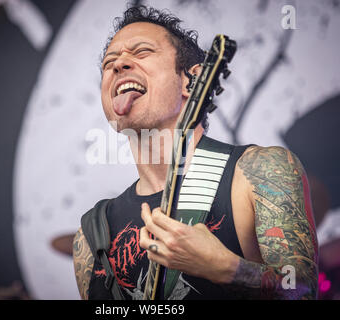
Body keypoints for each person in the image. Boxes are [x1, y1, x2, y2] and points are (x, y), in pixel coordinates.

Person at [72, 5, 318, 300]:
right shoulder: (92, 234)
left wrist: (226, 268)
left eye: (141, 52)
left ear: (192, 80)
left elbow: (301, 291)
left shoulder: (258, 171)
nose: (118, 65)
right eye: (109, 62)